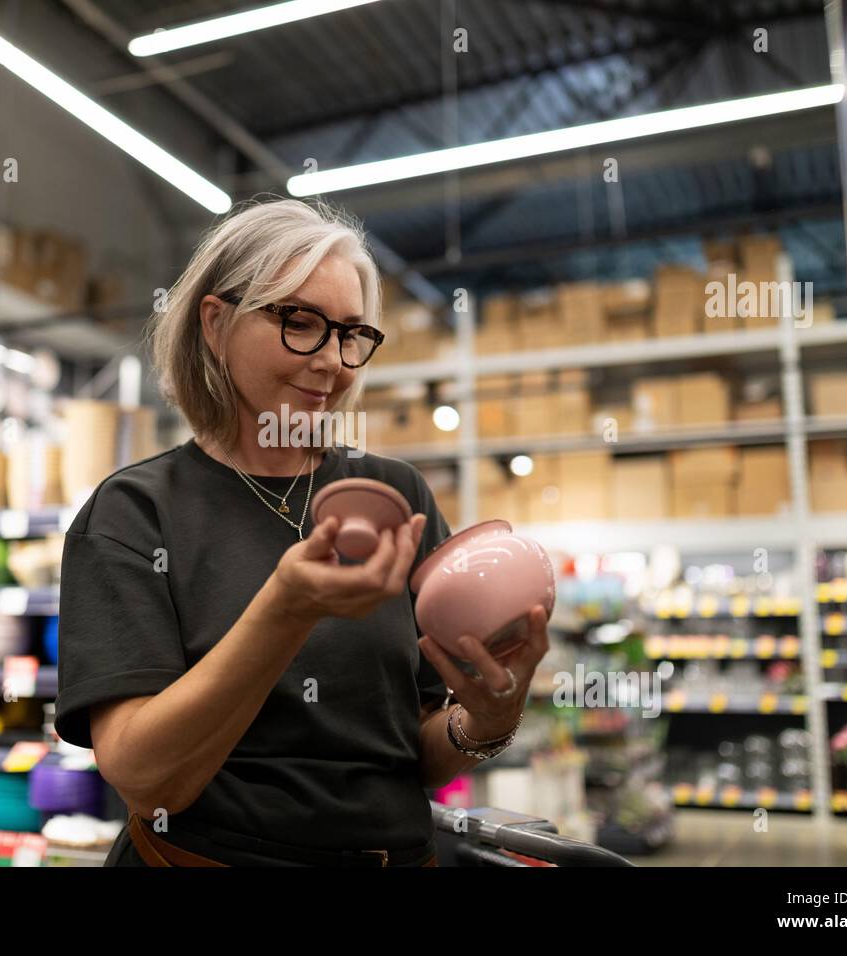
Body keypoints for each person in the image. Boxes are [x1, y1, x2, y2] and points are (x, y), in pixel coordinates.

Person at [54, 196, 549, 866]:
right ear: (215, 321)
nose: (332, 361)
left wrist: (485, 723)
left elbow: (416, 747)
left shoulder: (396, 499)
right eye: (300, 322)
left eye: (351, 334)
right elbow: (149, 779)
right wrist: (285, 610)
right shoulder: (137, 513)